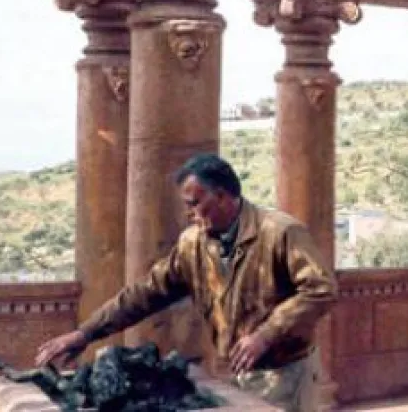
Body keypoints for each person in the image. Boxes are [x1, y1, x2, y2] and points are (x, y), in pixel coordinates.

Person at [35, 153, 336, 411]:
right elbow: (145, 293)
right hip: (234, 372)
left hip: (286, 372)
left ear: (222, 195)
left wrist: (265, 335)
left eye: (194, 203)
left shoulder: (281, 231)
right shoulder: (192, 244)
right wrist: (86, 333)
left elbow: (320, 290)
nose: (189, 213)